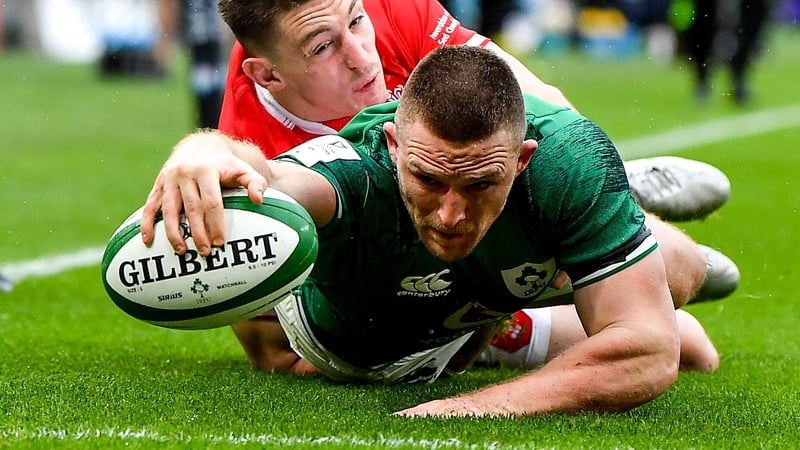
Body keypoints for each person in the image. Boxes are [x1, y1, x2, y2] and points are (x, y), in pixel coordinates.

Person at [142, 0, 736, 376]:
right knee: (282, 355)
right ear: (267, 73)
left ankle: (615, 206)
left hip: (483, 196)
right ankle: (508, 314)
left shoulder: (397, 13)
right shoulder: (254, 135)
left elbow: (548, 113)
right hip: (382, 247)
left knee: (674, 267)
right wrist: (199, 148)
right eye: (322, 47)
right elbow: (263, 319)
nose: (359, 56)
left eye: (355, 20)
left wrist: (589, 199)